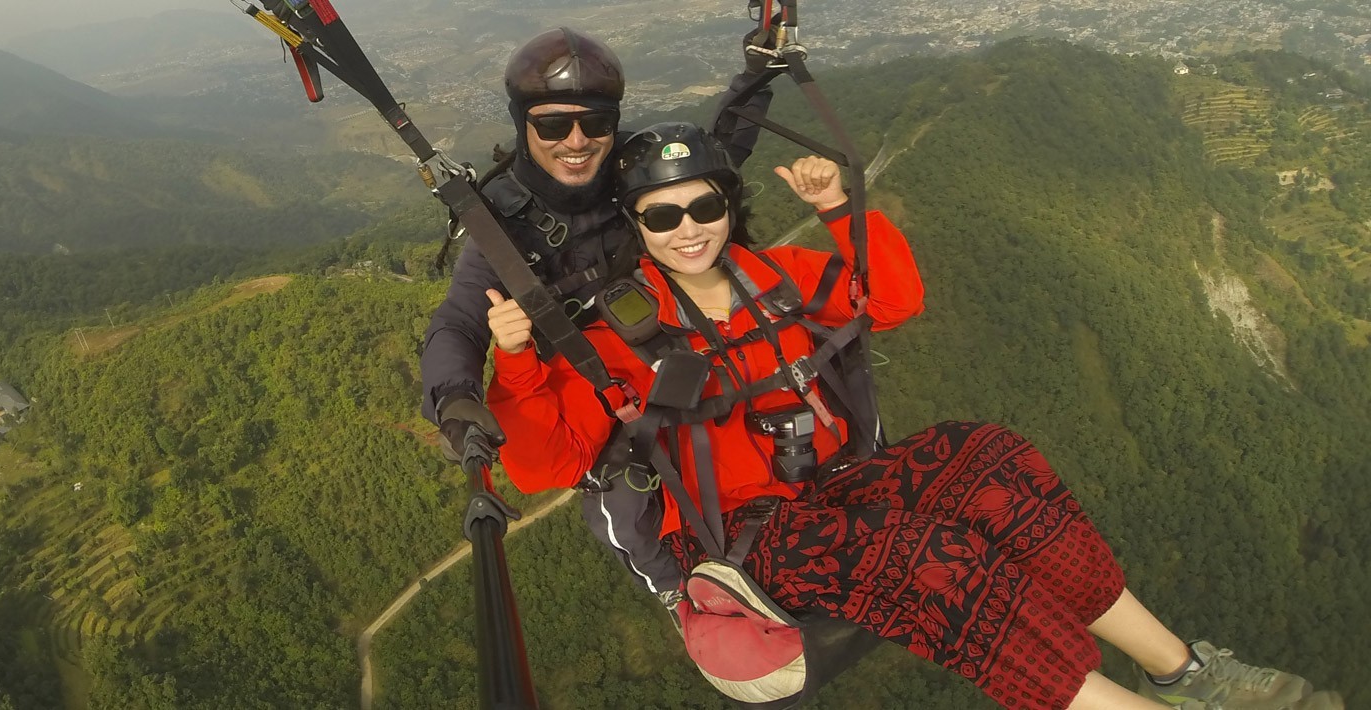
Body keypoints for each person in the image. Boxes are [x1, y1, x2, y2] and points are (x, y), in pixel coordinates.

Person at [481, 122, 1340, 710]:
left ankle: (1184, 671)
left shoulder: (776, 279)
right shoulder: (620, 337)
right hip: (744, 538)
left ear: (727, 206)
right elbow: (546, 466)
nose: (689, 228)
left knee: (987, 456)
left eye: (704, 206)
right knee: (930, 556)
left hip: (831, 489)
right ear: (638, 227)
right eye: (663, 216)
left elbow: (890, 298)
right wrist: (518, 360)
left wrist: (839, 214)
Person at [421, 26, 775, 611]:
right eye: (554, 125)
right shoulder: (502, 229)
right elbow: (459, 322)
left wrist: (760, 74)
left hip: (675, 351)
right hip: (601, 392)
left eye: (596, 123)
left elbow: (718, 152)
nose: (578, 141)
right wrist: (455, 397)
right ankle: (685, 601)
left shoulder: (632, 167)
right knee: (626, 501)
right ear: (524, 125)